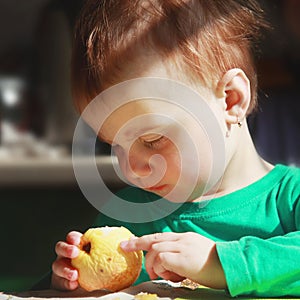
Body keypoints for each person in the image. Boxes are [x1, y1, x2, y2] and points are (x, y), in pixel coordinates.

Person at [51, 0, 300, 297]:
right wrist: (74, 283)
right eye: (115, 146)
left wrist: (221, 262)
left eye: (153, 140)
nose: (132, 169)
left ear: (231, 100)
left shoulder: (289, 199)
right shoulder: (128, 220)